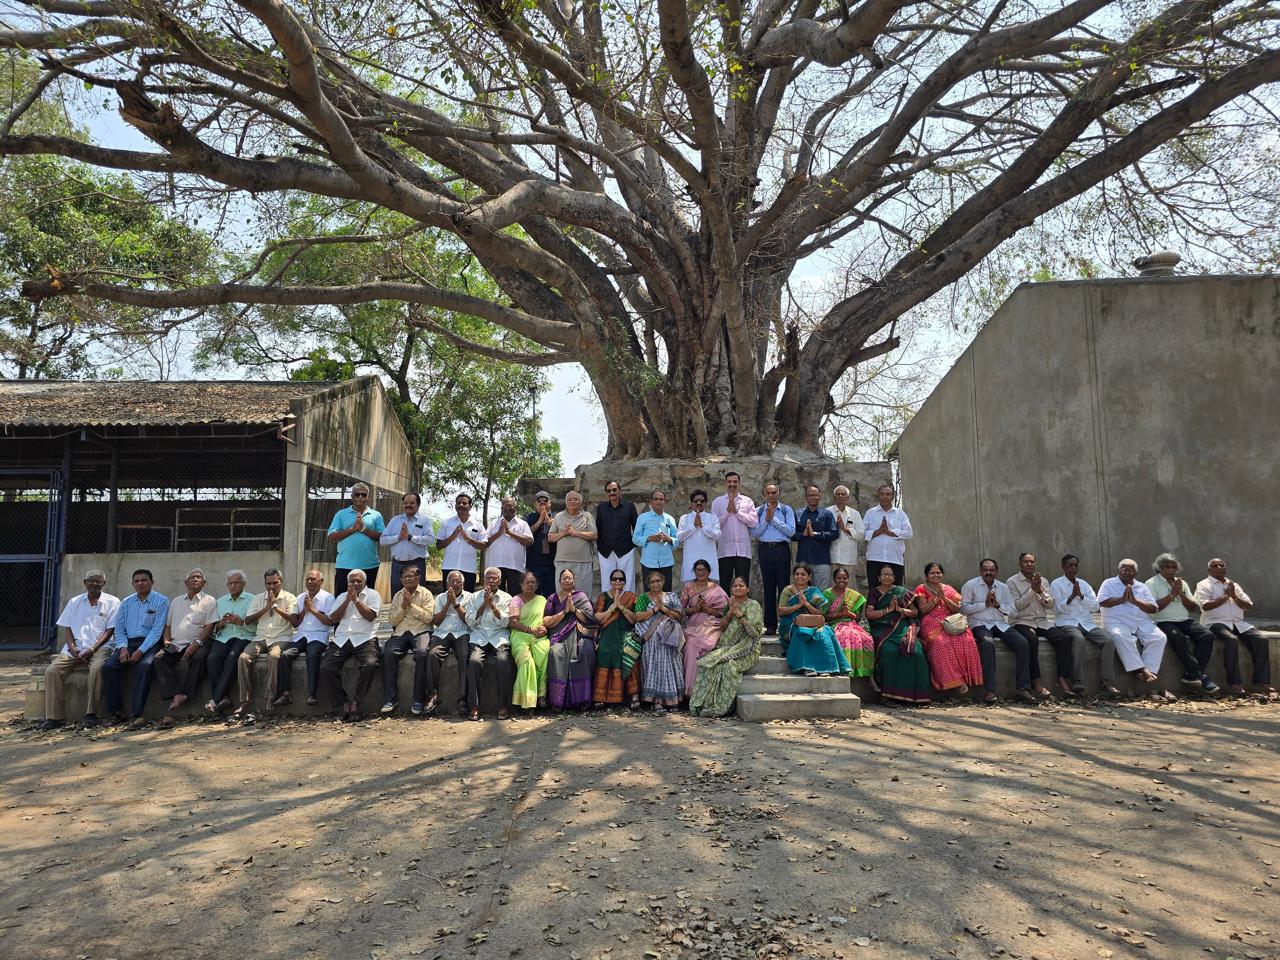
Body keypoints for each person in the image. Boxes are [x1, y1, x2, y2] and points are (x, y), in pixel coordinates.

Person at [40, 570, 119, 730]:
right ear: (85, 582)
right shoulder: (74, 601)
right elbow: (67, 628)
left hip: (101, 648)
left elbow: (109, 630)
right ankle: (55, 718)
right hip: (74, 648)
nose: (94, 584)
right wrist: (72, 647)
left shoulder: (113, 602)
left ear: (104, 584)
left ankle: (91, 714)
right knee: (52, 671)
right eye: (91, 581)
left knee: (97, 669)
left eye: (98, 581)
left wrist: (92, 648)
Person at [100, 570, 170, 728]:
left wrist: (140, 651)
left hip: (151, 643)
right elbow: (120, 629)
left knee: (144, 666)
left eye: (144, 580)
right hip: (128, 642)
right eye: (136, 581)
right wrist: (123, 648)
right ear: (132, 584)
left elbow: (157, 631)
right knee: (108, 668)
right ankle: (117, 713)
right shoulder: (126, 602)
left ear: (152, 582)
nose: (140, 583)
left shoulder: (161, 601)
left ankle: (136, 714)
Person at [1195, 558, 1273, 698]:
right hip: (1215, 622)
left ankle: (1262, 681)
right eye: (1215, 565)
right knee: (1232, 640)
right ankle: (1234, 683)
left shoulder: (1234, 585)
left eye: (1221, 565)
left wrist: (1234, 596)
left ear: (1225, 568)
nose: (1218, 567)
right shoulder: (1204, 585)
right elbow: (1205, 606)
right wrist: (1226, 596)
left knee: (1261, 639)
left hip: (1238, 622)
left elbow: (1248, 605)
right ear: (1209, 570)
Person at [689, 577, 764, 717]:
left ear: (747, 589)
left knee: (728, 667)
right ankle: (704, 704)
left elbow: (754, 633)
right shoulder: (729, 604)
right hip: (726, 646)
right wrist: (730, 612)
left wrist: (739, 613)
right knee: (708, 664)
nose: (738, 588)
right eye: (735, 585)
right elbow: (722, 627)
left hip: (747, 647)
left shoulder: (753, 605)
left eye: (741, 585)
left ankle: (723, 706)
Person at [1050, 555, 1122, 698]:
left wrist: (1081, 596)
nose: (1073, 568)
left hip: (1087, 622)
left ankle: (1106, 682)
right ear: (1063, 567)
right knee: (1078, 639)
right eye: (1069, 565)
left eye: (1075, 565)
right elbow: (1056, 608)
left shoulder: (1084, 584)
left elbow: (1095, 606)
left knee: (1108, 640)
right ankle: (1077, 681)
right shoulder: (1056, 584)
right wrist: (1071, 596)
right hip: (1066, 622)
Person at [1146, 553, 1219, 693]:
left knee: (1207, 635)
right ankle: (1201, 677)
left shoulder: (1181, 583)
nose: (1171, 570)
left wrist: (1180, 593)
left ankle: (1192, 674)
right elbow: (1154, 608)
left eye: (1174, 567)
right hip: (1162, 620)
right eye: (1167, 567)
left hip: (1184, 619)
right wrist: (1172, 594)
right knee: (1177, 637)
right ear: (1159, 568)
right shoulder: (1151, 583)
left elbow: (1192, 608)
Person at [151, 568, 218, 717]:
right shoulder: (176, 601)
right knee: (159, 658)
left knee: (199, 658)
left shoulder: (209, 601)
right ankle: (176, 692)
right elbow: (167, 625)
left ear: (204, 582)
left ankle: (186, 694)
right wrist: (166, 640)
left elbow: (209, 626)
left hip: (199, 642)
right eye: (192, 577)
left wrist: (197, 644)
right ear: (186, 582)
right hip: (176, 643)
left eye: (199, 577)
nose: (195, 579)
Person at [1098, 559, 1169, 699]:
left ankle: (1147, 671)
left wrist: (1135, 601)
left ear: (1135, 572)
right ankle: (1141, 669)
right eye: (1123, 569)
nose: (1126, 572)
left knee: (1159, 637)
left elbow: (1154, 608)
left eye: (1130, 569)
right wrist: (1122, 599)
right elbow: (1101, 602)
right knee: (1120, 636)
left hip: (1140, 621)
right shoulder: (1108, 583)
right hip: (1116, 621)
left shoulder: (1141, 586)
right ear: (1118, 570)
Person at [1007, 552, 1074, 699]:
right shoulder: (1012, 582)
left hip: (1042, 621)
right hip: (1022, 621)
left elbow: (1051, 604)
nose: (1029, 564)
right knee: (1031, 640)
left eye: (1032, 562)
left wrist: (1040, 591)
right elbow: (1017, 605)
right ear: (1020, 564)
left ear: (1035, 564)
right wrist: (1032, 590)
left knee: (1063, 638)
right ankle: (1035, 681)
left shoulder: (1042, 580)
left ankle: (1061, 678)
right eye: (1026, 562)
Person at [913, 562, 985, 699]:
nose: (936, 575)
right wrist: (936, 600)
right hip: (930, 621)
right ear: (926, 576)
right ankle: (954, 681)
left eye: (938, 572)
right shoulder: (921, 589)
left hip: (951, 620)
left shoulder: (949, 589)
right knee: (940, 643)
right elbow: (922, 610)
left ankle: (966, 677)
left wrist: (944, 598)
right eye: (932, 573)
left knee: (967, 639)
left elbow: (957, 609)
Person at [319, 568, 383, 720]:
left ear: (364, 582)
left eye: (358, 581)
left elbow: (370, 616)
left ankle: (357, 703)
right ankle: (342, 704)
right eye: (352, 581)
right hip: (342, 639)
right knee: (326, 667)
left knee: (370, 664)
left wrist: (356, 600)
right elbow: (333, 618)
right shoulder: (342, 596)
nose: (355, 583)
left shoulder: (374, 595)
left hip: (365, 638)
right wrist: (348, 599)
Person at [961, 559, 1028, 703]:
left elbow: (1013, 612)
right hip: (979, 624)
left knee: (1023, 643)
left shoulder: (1003, 587)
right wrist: (984, 605)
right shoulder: (970, 585)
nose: (988, 573)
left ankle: (1023, 689)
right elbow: (964, 609)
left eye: (991, 570)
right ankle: (990, 691)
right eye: (985, 570)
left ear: (996, 572)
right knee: (988, 643)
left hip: (1000, 624)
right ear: (980, 571)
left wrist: (998, 606)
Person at [236, 568, 299, 714]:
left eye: (275, 583)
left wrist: (275, 607)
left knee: (274, 656)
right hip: (260, 638)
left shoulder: (290, 598)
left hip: (281, 638)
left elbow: (294, 621)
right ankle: (245, 699)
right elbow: (248, 620)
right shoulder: (258, 598)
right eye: (268, 584)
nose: (271, 587)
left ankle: (270, 696)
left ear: (281, 582)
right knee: (243, 658)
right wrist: (266, 607)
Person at [866, 564, 929, 705]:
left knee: (915, 649)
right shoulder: (874, 593)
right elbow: (869, 614)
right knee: (889, 651)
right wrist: (887, 611)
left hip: (902, 626)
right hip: (881, 628)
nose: (887, 577)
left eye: (890, 574)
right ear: (878, 577)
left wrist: (900, 610)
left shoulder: (901, 591)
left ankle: (915, 696)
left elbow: (915, 612)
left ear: (894, 577)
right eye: (884, 574)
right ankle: (887, 696)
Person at [379, 565, 436, 715]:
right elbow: (392, 621)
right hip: (401, 632)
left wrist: (411, 606)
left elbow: (429, 617)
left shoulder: (426, 594)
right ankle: (390, 699)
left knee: (423, 653)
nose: (408, 579)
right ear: (401, 579)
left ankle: (418, 699)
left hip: (421, 630)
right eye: (405, 577)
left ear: (418, 578)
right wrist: (403, 606)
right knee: (388, 652)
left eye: (411, 576)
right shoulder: (398, 596)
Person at [777, 564, 850, 677]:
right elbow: (781, 611)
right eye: (797, 574)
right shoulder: (788, 591)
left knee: (824, 632)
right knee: (803, 632)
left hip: (813, 622)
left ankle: (826, 667)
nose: (800, 577)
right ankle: (807, 667)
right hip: (791, 623)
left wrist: (806, 604)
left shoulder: (814, 592)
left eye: (803, 574)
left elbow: (822, 613)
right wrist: (798, 606)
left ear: (809, 577)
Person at [201, 570, 255, 716]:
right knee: (212, 658)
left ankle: (216, 698)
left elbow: (256, 626)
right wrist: (221, 624)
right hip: (224, 636)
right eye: (230, 583)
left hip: (244, 636)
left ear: (243, 583)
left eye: (236, 583)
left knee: (232, 657)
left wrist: (240, 622)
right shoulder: (220, 601)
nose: (232, 586)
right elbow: (215, 627)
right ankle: (223, 698)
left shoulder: (253, 600)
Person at [462, 567, 514, 720]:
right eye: (488, 578)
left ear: (499, 580)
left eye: (494, 578)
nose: (491, 581)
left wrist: (492, 605)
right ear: (484, 580)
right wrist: (484, 604)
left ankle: (503, 705)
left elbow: (505, 622)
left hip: (499, 636)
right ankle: (474, 706)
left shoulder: (506, 597)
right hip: (480, 635)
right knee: (474, 661)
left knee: (503, 661)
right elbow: (470, 622)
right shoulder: (474, 597)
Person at [419, 570, 471, 716]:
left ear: (463, 584)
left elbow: (468, 620)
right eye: (452, 581)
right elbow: (436, 622)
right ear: (447, 583)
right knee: (432, 654)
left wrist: (455, 604)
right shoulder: (440, 598)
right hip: (442, 632)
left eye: (458, 582)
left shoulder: (470, 597)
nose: (455, 584)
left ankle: (462, 698)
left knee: (464, 654)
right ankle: (432, 695)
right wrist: (447, 604)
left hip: (462, 632)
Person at [544, 568, 597, 710]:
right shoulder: (552, 598)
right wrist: (565, 612)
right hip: (559, 635)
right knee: (555, 653)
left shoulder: (581, 596)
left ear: (574, 581)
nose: (567, 580)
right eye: (564, 578)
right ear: (559, 581)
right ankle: (558, 701)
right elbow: (547, 621)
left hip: (579, 633)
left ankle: (582, 700)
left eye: (569, 578)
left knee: (585, 649)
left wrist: (574, 610)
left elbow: (590, 618)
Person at [279, 569, 333, 707]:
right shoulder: (300, 597)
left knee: (312, 654)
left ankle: (311, 694)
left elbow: (330, 622)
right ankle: (285, 693)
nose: (309, 582)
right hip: (301, 635)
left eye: (313, 579)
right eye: (307, 579)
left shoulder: (328, 598)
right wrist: (305, 609)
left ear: (321, 581)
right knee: (285, 654)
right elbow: (296, 623)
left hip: (319, 635)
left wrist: (313, 610)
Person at [633, 570, 685, 711]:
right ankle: (656, 700)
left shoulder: (671, 597)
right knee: (656, 646)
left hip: (670, 636)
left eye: (658, 581)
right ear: (648, 584)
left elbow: (679, 617)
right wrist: (655, 610)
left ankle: (671, 698)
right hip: (650, 636)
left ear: (663, 582)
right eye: (652, 582)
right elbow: (638, 617)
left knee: (668, 650)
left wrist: (665, 610)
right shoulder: (643, 598)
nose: (656, 584)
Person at [751, 482, 797, 635]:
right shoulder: (758, 511)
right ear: (764, 494)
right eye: (768, 493)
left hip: (781, 549)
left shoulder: (786, 510)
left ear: (778, 493)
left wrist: (774, 520)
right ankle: (770, 624)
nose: (771, 495)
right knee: (768, 586)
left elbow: (791, 531)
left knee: (784, 587)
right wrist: (766, 519)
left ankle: (785, 623)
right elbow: (755, 533)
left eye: (773, 492)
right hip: (765, 549)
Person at [680, 559, 729, 696]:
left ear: (708, 572)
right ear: (694, 572)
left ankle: (696, 691)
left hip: (711, 625)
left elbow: (725, 613)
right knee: (687, 643)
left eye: (703, 570)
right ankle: (687, 690)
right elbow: (680, 610)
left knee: (693, 645)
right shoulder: (688, 587)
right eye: (698, 570)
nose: (700, 572)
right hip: (691, 625)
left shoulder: (717, 589)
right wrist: (695, 609)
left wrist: (708, 609)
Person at [326, 482, 385, 592]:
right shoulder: (341, 514)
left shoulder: (376, 515)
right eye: (357, 494)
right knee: (342, 600)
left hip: (369, 566)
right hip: (344, 566)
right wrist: (352, 529)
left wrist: (364, 529)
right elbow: (332, 537)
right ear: (352, 497)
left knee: (366, 601)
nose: (360, 497)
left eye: (363, 494)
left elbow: (383, 537)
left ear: (368, 497)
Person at [594, 569, 640, 709]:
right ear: (610, 581)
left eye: (620, 579)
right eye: (614, 579)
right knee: (605, 653)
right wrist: (612, 609)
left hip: (625, 632)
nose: (617, 581)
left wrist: (622, 607)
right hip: (607, 633)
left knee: (628, 651)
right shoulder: (603, 597)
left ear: (625, 582)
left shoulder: (631, 597)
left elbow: (634, 620)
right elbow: (598, 619)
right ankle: (601, 697)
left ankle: (634, 695)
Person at [508, 572, 550, 711]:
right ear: (521, 585)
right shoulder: (516, 600)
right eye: (527, 582)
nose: (530, 585)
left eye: (533, 582)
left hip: (538, 636)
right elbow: (513, 623)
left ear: (537, 585)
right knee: (527, 662)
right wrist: (531, 630)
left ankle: (541, 695)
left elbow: (546, 620)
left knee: (544, 652)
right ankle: (528, 701)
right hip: (520, 635)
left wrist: (544, 628)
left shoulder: (542, 600)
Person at [823, 566, 874, 679]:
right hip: (835, 624)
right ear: (834, 579)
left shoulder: (854, 595)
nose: (842, 580)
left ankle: (865, 673)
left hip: (851, 624)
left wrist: (849, 613)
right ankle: (845, 670)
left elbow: (858, 618)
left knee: (866, 638)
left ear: (848, 579)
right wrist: (840, 614)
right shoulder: (827, 594)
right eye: (839, 578)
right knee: (845, 636)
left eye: (845, 578)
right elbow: (824, 616)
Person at [379, 492, 434, 588]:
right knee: (397, 597)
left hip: (417, 564)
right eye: (405, 503)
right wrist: (398, 537)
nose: (408, 505)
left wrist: (411, 537)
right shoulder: (395, 520)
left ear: (418, 504)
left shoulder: (425, 521)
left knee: (417, 597)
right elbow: (382, 540)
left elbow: (430, 539)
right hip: (398, 565)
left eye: (412, 503)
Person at [711, 471, 756, 587]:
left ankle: (742, 606)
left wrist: (737, 512)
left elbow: (753, 522)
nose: (732, 484)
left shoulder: (747, 501)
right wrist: (727, 512)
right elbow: (714, 526)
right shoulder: (717, 502)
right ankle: (726, 606)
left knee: (743, 584)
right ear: (725, 483)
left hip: (743, 550)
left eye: (735, 481)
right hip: (725, 550)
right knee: (724, 584)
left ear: (739, 483)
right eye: (729, 481)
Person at [862, 483, 912, 585]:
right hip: (874, 559)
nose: (885, 496)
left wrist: (891, 533)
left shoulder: (900, 514)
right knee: (874, 592)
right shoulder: (870, 513)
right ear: (878, 496)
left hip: (895, 559)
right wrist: (878, 532)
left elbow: (909, 533)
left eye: (888, 494)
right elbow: (862, 533)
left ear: (892, 496)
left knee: (895, 593)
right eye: (882, 494)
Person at [483, 497, 534, 595]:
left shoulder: (523, 524)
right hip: (495, 566)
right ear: (501, 508)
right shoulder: (493, 523)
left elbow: (529, 541)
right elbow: (485, 543)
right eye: (505, 506)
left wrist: (510, 532)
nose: (507, 508)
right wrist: (498, 533)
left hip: (515, 566)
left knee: (515, 596)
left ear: (516, 507)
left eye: (510, 506)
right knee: (494, 595)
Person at [549, 490, 598, 590]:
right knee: (562, 594)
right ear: (566, 502)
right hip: (562, 562)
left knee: (583, 594)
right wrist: (564, 533)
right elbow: (550, 537)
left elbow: (594, 535)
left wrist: (575, 533)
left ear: (581, 502)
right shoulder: (558, 516)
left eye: (575, 499)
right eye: (569, 500)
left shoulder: (587, 516)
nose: (572, 502)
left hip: (583, 562)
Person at [436, 492, 486, 590]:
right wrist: (453, 536)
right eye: (458, 503)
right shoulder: (446, 523)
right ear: (455, 505)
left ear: (470, 506)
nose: (461, 505)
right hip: (449, 567)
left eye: (464, 503)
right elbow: (438, 546)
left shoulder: (478, 525)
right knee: (448, 597)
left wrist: (468, 539)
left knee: (467, 599)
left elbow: (484, 546)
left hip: (469, 569)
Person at [596, 480, 638, 593]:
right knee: (607, 581)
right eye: (609, 491)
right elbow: (597, 528)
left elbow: (636, 527)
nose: (612, 493)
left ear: (620, 491)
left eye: (614, 490)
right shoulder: (601, 508)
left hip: (626, 549)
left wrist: (634, 544)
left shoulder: (629, 506)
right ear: (606, 493)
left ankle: (627, 607)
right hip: (605, 551)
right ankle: (608, 608)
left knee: (628, 581)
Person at [793, 484, 838, 589]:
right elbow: (791, 535)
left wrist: (816, 534)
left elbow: (834, 533)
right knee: (802, 592)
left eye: (815, 495)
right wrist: (803, 534)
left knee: (821, 594)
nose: (812, 497)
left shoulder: (827, 514)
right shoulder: (798, 513)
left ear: (820, 496)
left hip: (821, 561)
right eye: (810, 495)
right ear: (805, 497)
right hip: (803, 561)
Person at [633, 489, 679, 591]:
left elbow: (677, 540)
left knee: (666, 594)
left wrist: (669, 539)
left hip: (666, 562)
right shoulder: (642, 518)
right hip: (648, 562)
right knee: (649, 595)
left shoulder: (670, 519)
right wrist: (650, 538)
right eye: (656, 499)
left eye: (661, 499)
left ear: (664, 501)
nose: (658, 501)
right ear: (651, 501)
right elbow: (635, 539)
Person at [677, 490, 721, 584]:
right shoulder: (684, 518)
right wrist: (693, 526)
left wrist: (703, 526)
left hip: (709, 559)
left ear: (706, 503)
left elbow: (717, 536)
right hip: (690, 560)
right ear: (691, 503)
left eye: (702, 501)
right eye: (696, 501)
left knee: (710, 594)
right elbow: (679, 537)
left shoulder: (713, 518)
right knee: (690, 593)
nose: (699, 503)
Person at [525, 490, 558, 598]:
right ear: (535, 504)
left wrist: (549, 521)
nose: (542, 503)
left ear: (550, 503)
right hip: (534, 563)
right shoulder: (530, 517)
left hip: (552, 563)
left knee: (551, 595)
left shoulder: (557, 517)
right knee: (535, 594)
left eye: (545, 501)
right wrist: (539, 521)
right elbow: (526, 534)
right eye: (539, 502)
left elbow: (562, 531)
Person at [828, 485, 864, 582]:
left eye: (843, 494)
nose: (840, 496)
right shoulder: (827, 512)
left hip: (849, 558)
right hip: (832, 558)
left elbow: (861, 535)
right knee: (833, 588)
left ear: (847, 498)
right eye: (838, 494)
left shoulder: (854, 514)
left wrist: (845, 529)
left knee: (849, 589)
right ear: (834, 497)